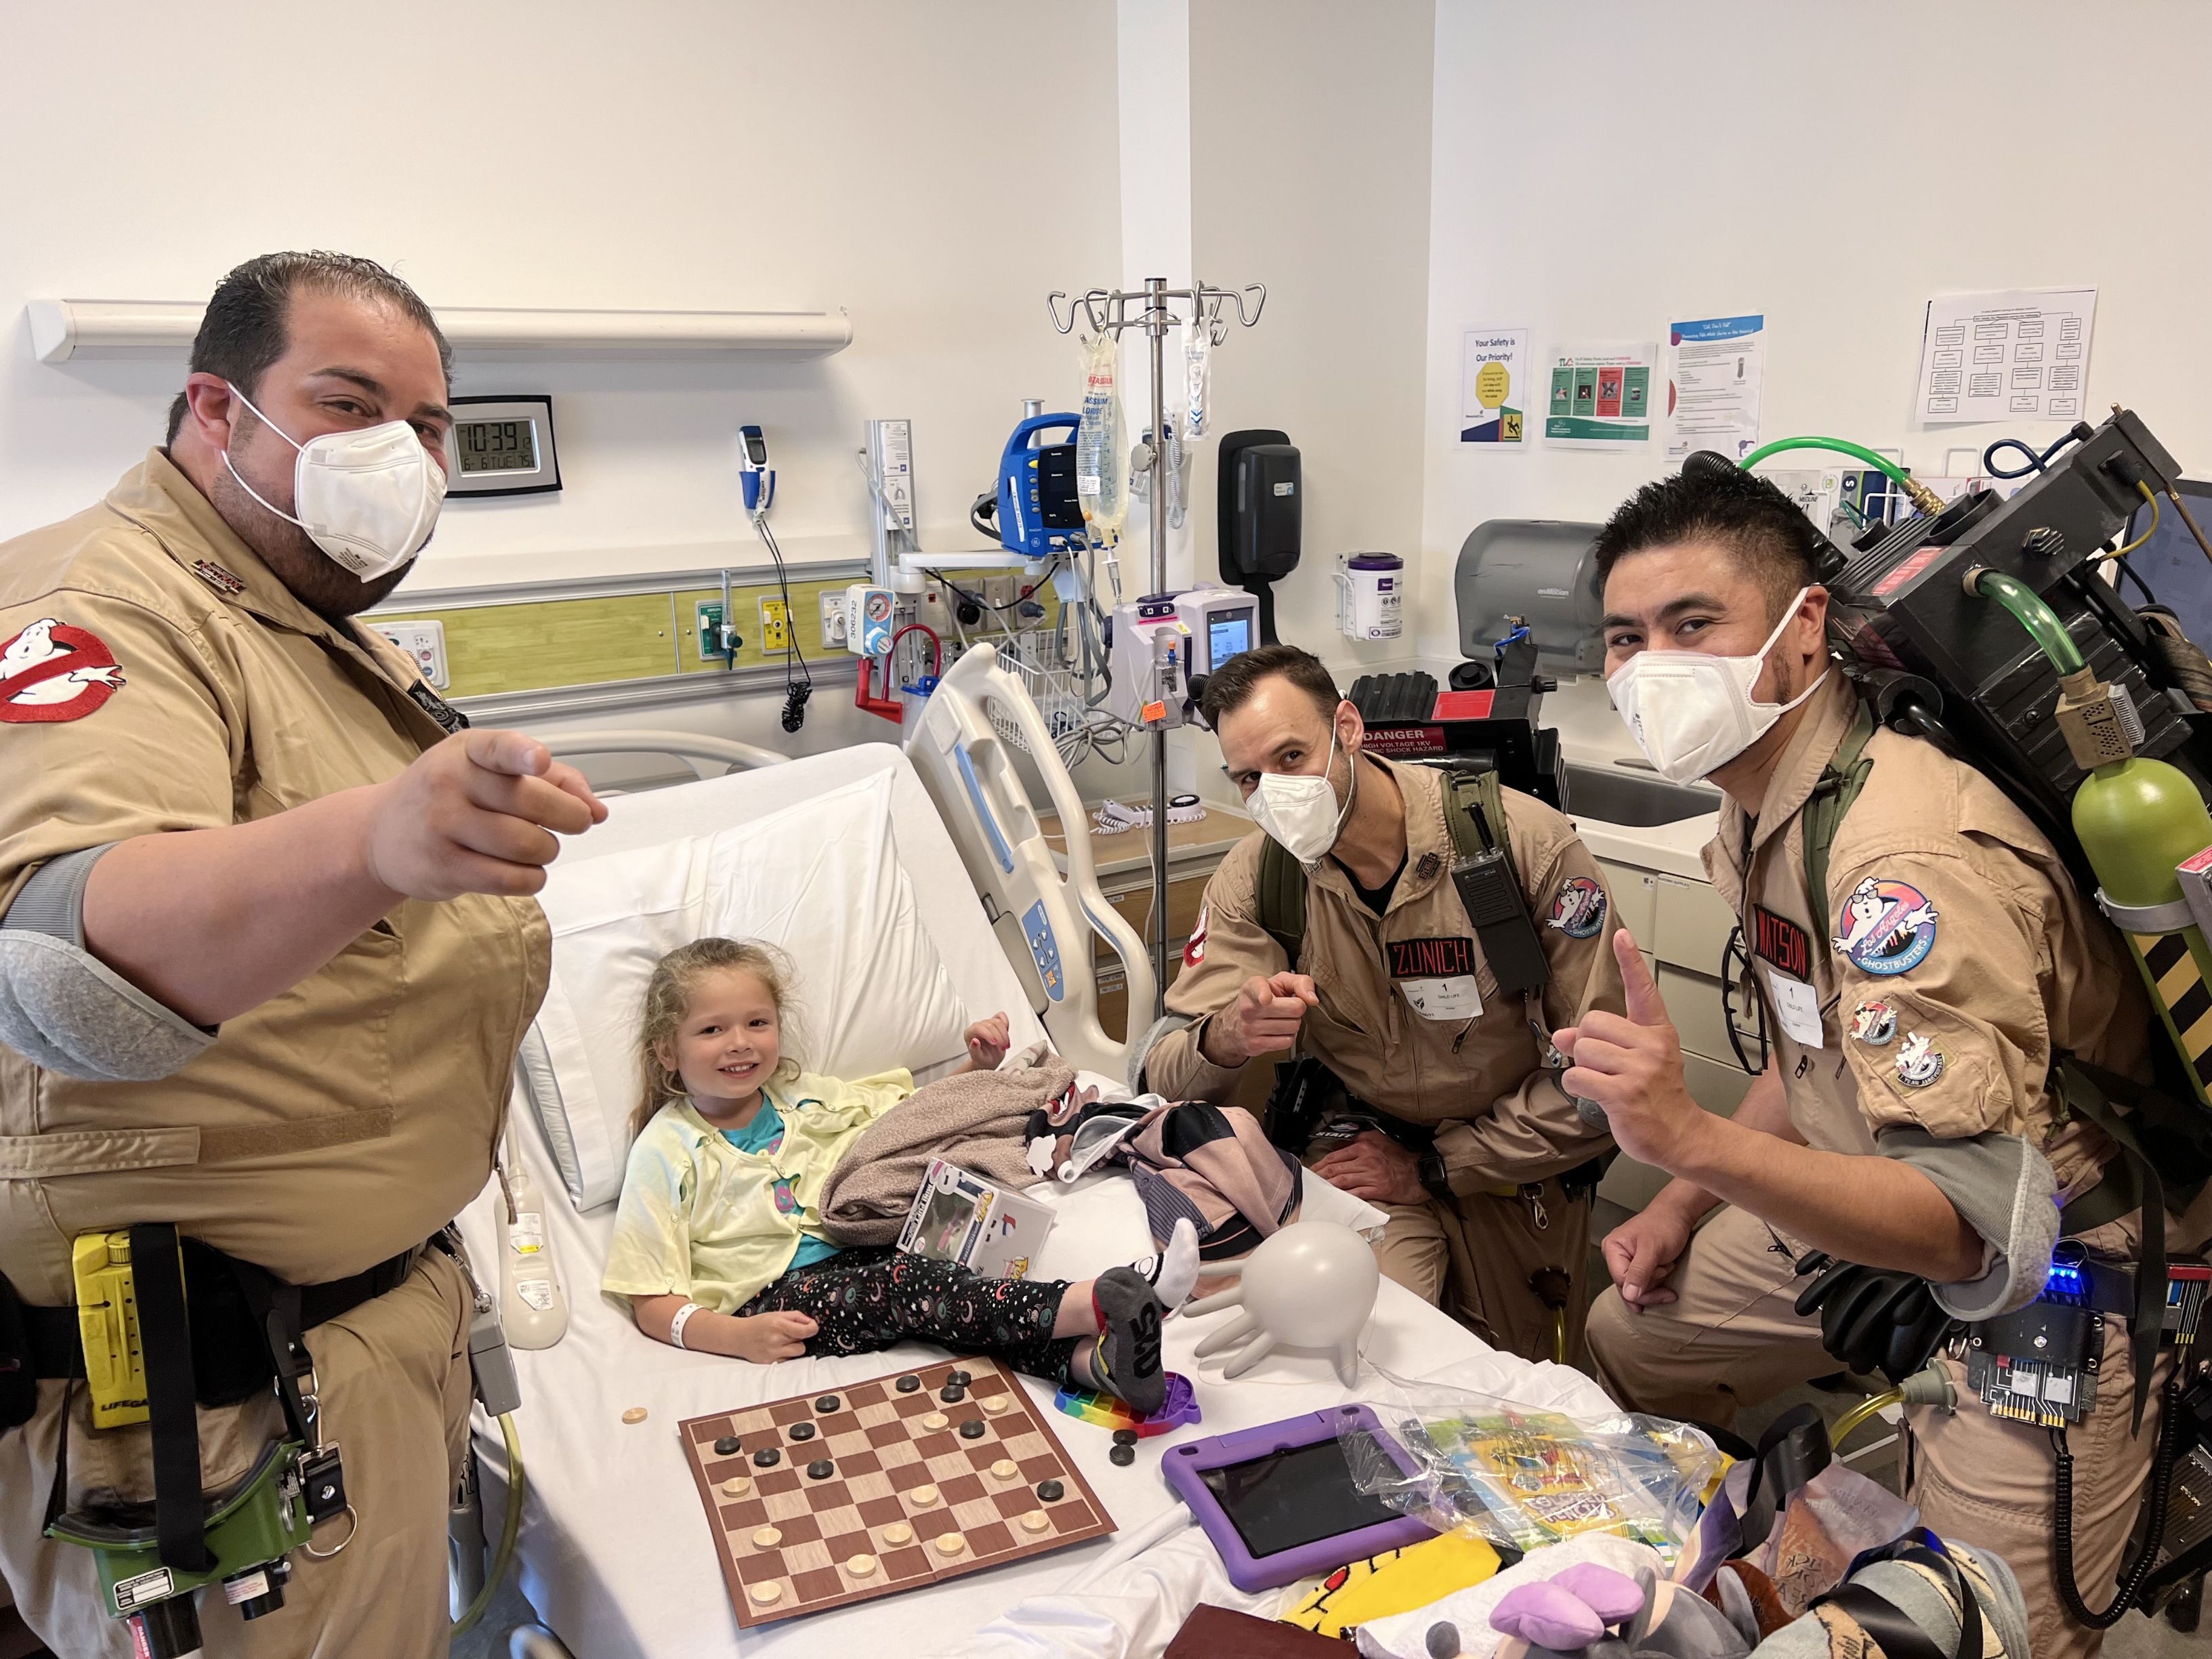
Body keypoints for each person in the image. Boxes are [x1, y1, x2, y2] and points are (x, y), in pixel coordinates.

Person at [0, 252, 610, 1657]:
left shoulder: (289, 623)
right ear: (216, 408)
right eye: (347, 405)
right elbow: (54, 962)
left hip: (336, 1358)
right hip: (210, 1416)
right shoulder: (105, 608)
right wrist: (379, 840)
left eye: (432, 427)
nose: (399, 456)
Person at [1571, 461, 2209, 1659]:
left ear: (1804, 626)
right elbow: (1814, 1050)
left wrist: (1690, 1134)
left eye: (1692, 623)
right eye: (1625, 635)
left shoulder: (1897, 855)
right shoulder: (1765, 799)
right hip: (1877, 1179)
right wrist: (1678, 1197)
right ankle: (1740, 1569)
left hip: (2055, 1265)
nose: (1652, 664)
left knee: (1976, 1623)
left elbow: (1977, 1229)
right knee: (1632, 1329)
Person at [1142, 645, 1623, 1362]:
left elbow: (1605, 1092)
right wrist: (1229, 1036)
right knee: (1358, 1356)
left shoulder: (1520, 849)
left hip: (1512, 1163)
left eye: (1291, 757)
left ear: (1348, 728)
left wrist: (1434, 1164)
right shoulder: (1260, 880)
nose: (1273, 791)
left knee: (1516, 1394)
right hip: (1364, 1157)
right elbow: (1161, 1076)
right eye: (1248, 777)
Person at [604, 938, 1198, 1408]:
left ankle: (1095, 1366)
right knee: (911, 1288)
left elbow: (907, 1121)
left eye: (756, 1023)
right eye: (711, 1029)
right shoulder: (667, 1150)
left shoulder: (804, 1097)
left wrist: (975, 1069)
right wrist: (735, 1336)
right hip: (776, 1298)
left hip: (866, 1241)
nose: (739, 1043)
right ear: (666, 1051)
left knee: (958, 1297)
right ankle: (1104, 1299)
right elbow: (650, 1300)